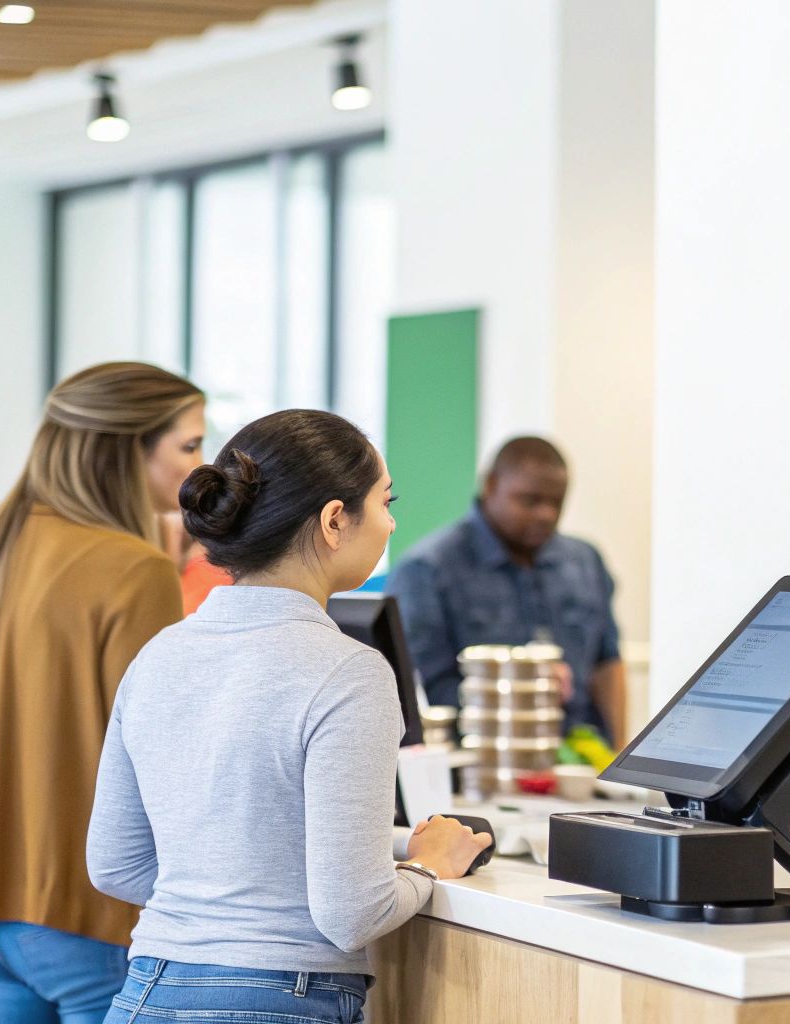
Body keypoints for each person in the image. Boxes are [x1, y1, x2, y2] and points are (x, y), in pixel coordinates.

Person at [87, 409, 491, 1023]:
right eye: (386, 501)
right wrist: (426, 864)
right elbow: (351, 911)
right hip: (276, 1002)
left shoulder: (159, 655)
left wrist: (225, 900)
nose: (392, 522)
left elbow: (116, 865)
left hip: (146, 995)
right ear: (335, 520)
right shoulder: (349, 671)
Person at [0, 362, 205, 1024]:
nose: (201, 470)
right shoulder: (132, 567)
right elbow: (164, 752)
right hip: (91, 915)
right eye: (189, 446)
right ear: (126, 449)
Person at [387, 436, 627, 741]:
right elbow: (424, 690)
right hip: (484, 759)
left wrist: (619, 753)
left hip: (580, 757)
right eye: (530, 500)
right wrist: (520, 689)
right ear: (490, 486)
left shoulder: (585, 561)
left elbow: (608, 663)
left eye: (556, 502)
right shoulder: (428, 570)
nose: (546, 514)